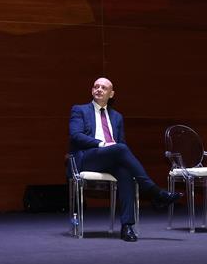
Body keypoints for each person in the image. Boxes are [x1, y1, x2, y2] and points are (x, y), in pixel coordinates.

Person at [69, 77, 183, 242]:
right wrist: (102, 144)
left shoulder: (117, 117)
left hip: (110, 159)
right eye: (96, 86)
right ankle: (153, 191)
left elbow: (121, 144)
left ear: (111, 94)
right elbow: (76, 136)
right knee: (120, 149)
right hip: (87, 158)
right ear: (92, 90)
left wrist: (112, 148)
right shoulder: (79, 110)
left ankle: (127, 226)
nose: (99, 89)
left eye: (104, 88)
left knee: (125, 172)